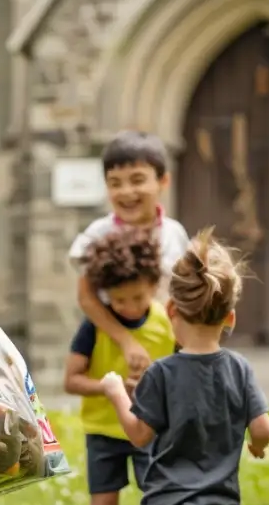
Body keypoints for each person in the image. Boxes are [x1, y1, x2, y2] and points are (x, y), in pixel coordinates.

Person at [100, 228, 269, 505]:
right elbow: (263, 429)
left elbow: (139, 435)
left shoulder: (161, 373)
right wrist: (257, 446)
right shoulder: (240, 369)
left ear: (171, 310)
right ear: (230, 317)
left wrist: (116, 393)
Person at [63, 227, 179, 505]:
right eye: (119, 300)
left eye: (138, 298)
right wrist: (109, 388)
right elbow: (71, 380)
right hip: (104, 432)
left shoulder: (167, 324)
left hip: (150, 430)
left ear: (154, 286)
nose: (129, 307)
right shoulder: (94, 328)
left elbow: (180, 374)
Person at [68, 131, 191, 385]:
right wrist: (126, 341)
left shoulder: (174, 234)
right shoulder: (98, 235)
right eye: (115, 183)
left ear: (163, 181)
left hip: (166, 344)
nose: (126, 192)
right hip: (112, 344)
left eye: (137, 180)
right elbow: (86, 298)